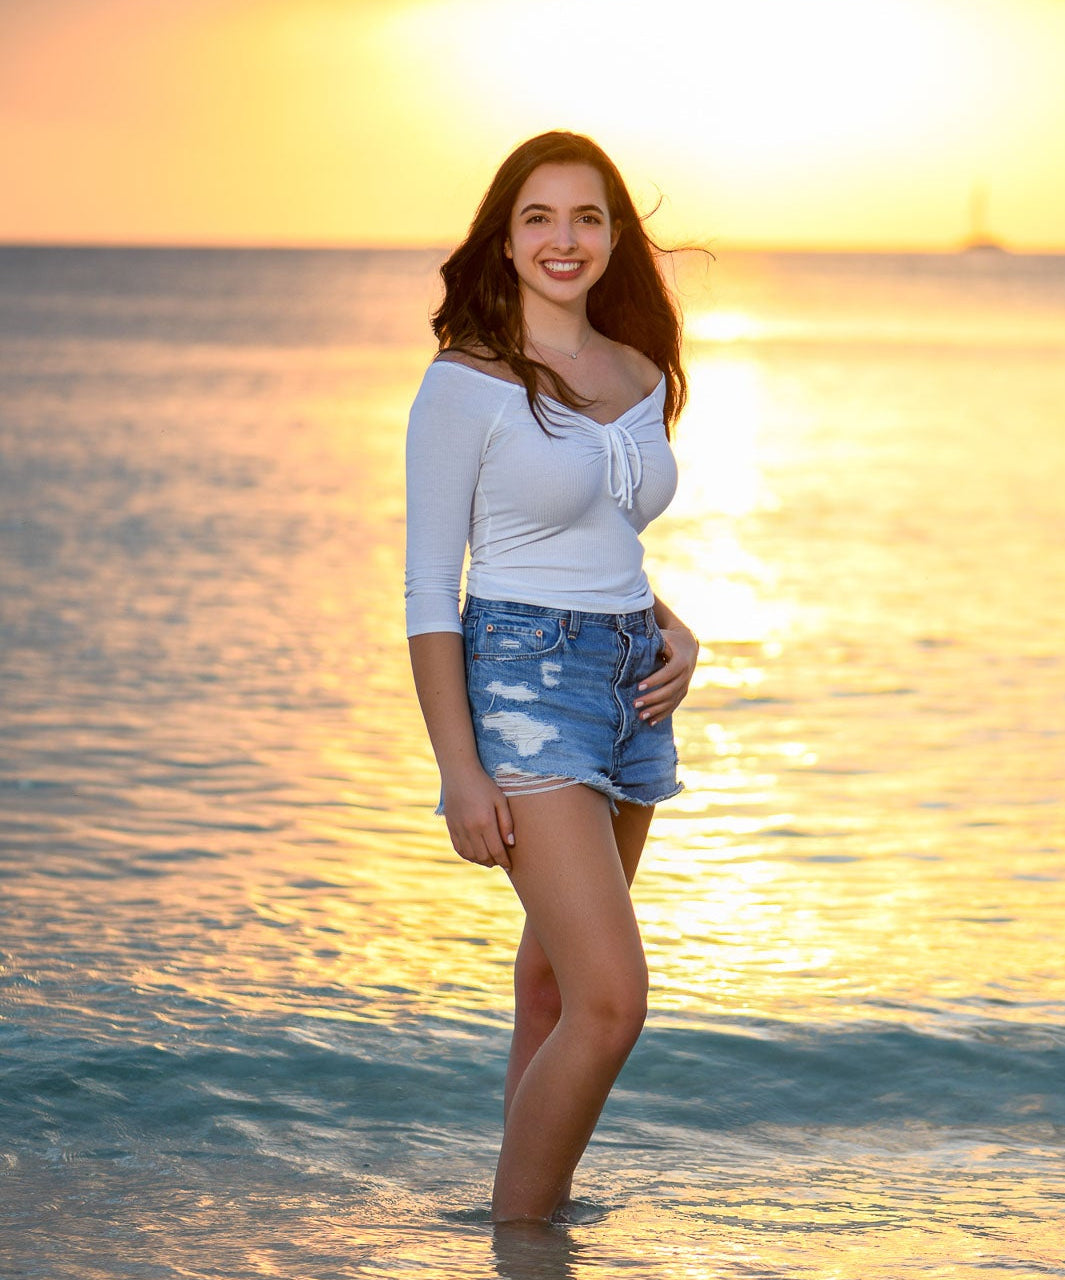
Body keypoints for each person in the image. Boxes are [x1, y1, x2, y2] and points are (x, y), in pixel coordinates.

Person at [404, 131, 699, 1224]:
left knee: (555, 989)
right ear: (506, 236)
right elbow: (434, 585)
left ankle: (528, 1227)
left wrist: (674, 627)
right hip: (522, 687)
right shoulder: (465, 384)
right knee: (612, 1003)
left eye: (585, 217)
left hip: (628, 685)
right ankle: (520, 1232)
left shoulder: (639, 369)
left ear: (614, 235)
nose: (562, 239)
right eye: (538, 218)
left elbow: (600, 534)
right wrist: (457, 770)